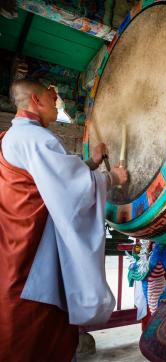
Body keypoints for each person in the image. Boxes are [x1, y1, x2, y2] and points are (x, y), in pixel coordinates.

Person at [0, 79, 128, 361]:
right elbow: (69, 189)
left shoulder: (15, 137)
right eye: (51, 96)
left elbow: (51, 178)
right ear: (35, 100)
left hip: (15, 248)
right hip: (31, 257)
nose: (56, 103)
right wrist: (111, 178)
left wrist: (92, 164)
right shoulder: (35, 138)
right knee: (35, 335)